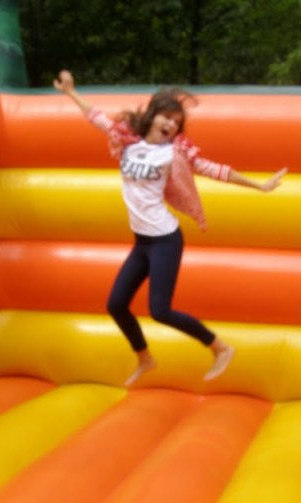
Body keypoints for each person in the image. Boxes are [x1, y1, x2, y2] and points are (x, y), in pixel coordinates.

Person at [54, 70, 287, 386]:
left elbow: (213, 169)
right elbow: (96, 118)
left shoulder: (173, 154)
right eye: (166, 116)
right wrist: (70, 91)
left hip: (165, 239)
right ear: (152, 116)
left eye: (176, 122)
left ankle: (219, 347)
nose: (170, 124)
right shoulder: (128, 142)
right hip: (142, 242)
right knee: (116, 304)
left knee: (160, 310)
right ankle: (145, 358)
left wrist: (260, 185)